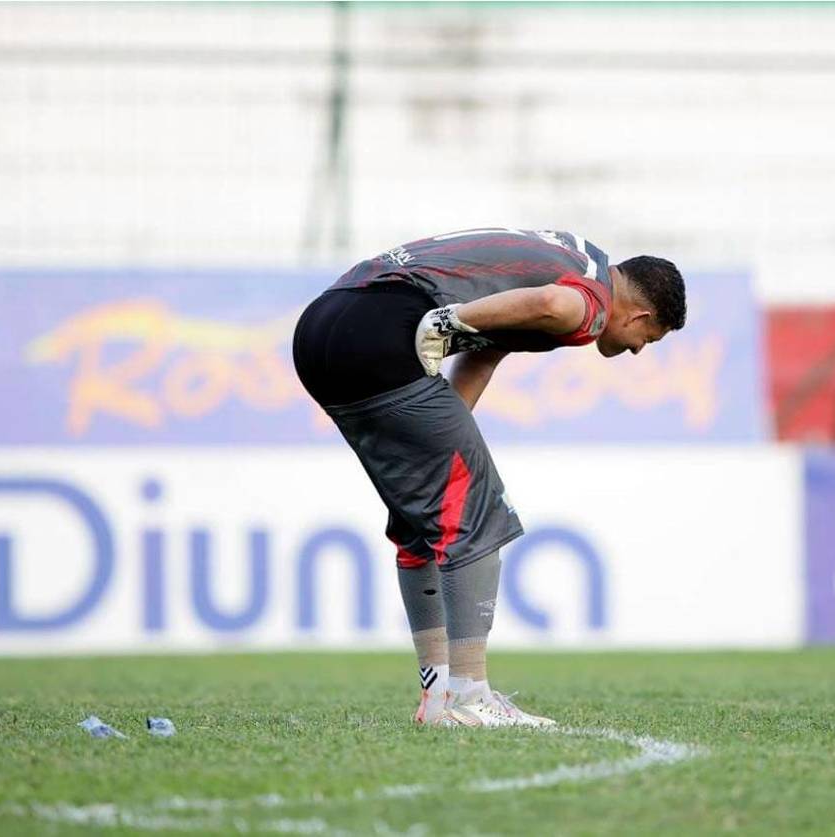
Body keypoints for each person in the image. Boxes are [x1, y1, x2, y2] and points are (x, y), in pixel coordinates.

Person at [292, 228, 686, 728]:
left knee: (425, 519)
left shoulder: (572, 257)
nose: (637, 351)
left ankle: (438, 695)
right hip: (386, 328)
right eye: (647, 340)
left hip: (323, 326)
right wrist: (446, 322)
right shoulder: (592, 305)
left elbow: (485, 351)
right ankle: (469, 697)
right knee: (477, 515)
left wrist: (447, 439)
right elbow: (553, 304)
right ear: (640, 316)